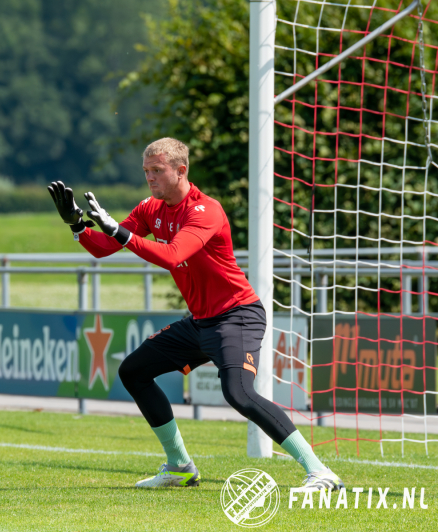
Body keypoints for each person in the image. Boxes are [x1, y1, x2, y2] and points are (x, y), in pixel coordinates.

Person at [47, 137, 344, 491]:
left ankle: (319, 471)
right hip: (201, 322)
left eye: (157, 171)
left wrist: (119, 232)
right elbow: (105, 248)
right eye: (146, 172)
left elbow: (172, 255)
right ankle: (179, 466)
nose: (150, 178)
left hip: (237, 316)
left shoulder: (206, 210)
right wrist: (78, 227)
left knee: (239, 393)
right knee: (134, 371)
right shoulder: (149, 208)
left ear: (181, 170)